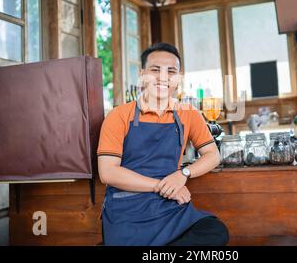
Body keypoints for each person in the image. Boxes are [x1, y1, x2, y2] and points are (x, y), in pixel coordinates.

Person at [97, 42, 229, 246]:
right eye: (155, 70)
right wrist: (164, 186)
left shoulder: (188, 114)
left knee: (215, 231)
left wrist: (183, 174)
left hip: (170, 208)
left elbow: (213, 155)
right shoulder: (119, 116)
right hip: (128, 209)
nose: (164, 77)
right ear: (142, 74)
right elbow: (108, 173)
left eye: (171, 71)